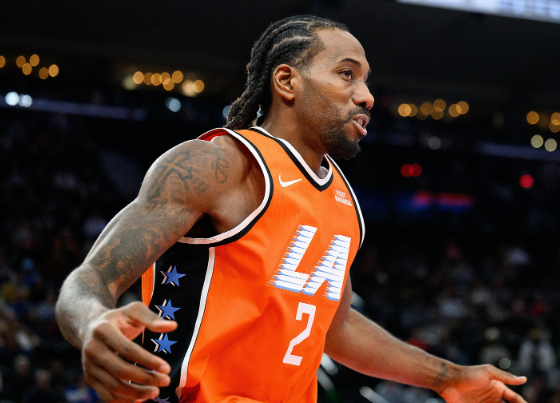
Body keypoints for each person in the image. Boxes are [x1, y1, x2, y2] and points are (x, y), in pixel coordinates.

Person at [55, 15, 528, 403]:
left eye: (366, 80)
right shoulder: (220, 165)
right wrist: (93, 321)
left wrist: (447, 377)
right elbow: (90, 279)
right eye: (347, 74)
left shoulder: (344, 201)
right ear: (287, 81)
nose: (366, 96)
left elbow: (336, 327)